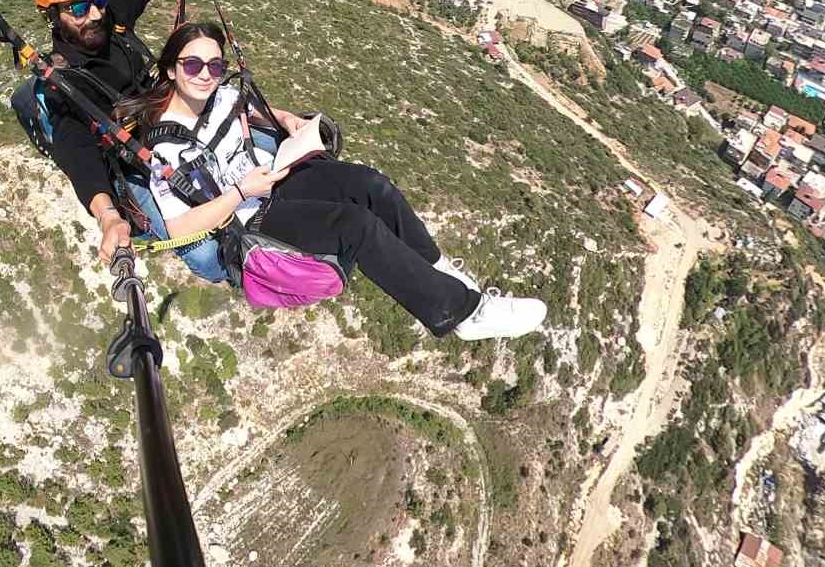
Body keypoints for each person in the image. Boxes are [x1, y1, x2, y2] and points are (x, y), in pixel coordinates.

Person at [118, 21, 548, 341]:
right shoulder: (165, 146)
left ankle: (444, 273)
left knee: (369, 184)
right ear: (172, 70)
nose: (206, 73)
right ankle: (462, 314)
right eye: (193, 64)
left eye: (215, 64)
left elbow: (250, 112)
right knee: (355, 227)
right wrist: (241, 192)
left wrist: (286, 119)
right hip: (246, 219)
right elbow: (179, 228)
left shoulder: (222, 96)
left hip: (271, 183)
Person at [33, 0, 218, 270]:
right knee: (206, 255)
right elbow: (75, 149)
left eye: (97, 0)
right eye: (79, 7)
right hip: (134, 159)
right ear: (52, 15)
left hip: (163, 120)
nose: (94, 13)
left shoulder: (112, 18)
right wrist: (108, 216)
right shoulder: (63, 79)